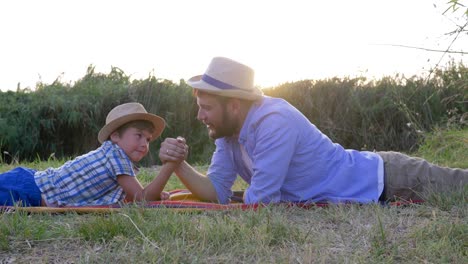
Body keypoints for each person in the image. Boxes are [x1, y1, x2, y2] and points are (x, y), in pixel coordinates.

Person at [160, 56, 468, 205]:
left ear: (234, 105)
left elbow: (259, 203)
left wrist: (240, 198)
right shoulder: (228, 136)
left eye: (207, 107)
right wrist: (179, 165)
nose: (200, 116)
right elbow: (216, 191)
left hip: (389, 177)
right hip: (376, 190)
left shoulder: (273, 120)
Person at [0, 102, 186, 207]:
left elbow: (132, 197)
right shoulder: (116, 157)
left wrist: (154, 192)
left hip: (31, 181)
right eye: (138, 136)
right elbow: (143, 199)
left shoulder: (116, 157)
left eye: (148, 139)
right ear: (115, 136)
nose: (144, 144)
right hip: (28, 190)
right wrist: (170, 166)